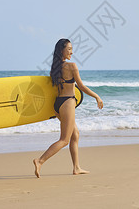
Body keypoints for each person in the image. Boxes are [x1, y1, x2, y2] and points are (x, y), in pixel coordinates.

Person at [33, 38, 103, 178]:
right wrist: (97, 96)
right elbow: (81, 86)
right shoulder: (72, 66)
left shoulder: (55, 67)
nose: (72, 51)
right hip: (68, 103)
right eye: (69, 49)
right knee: (64, 140)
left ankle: (76, 168)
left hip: (57, 104)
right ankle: (40, 160)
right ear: (61, 51)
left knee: (75, 134)